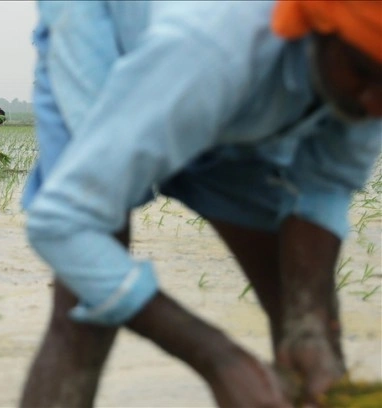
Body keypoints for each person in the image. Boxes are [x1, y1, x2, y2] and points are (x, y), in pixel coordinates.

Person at [20, 1, 382, 407]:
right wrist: (218, 358)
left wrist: (311, 325)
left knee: (303, 323)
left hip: (230, 85)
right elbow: (63, 224)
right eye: (363, 74)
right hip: (105, 26)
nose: (372, 105)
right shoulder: (214, 49)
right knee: (86, 304)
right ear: (319, 30)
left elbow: (324, 184)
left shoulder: (367, 63)